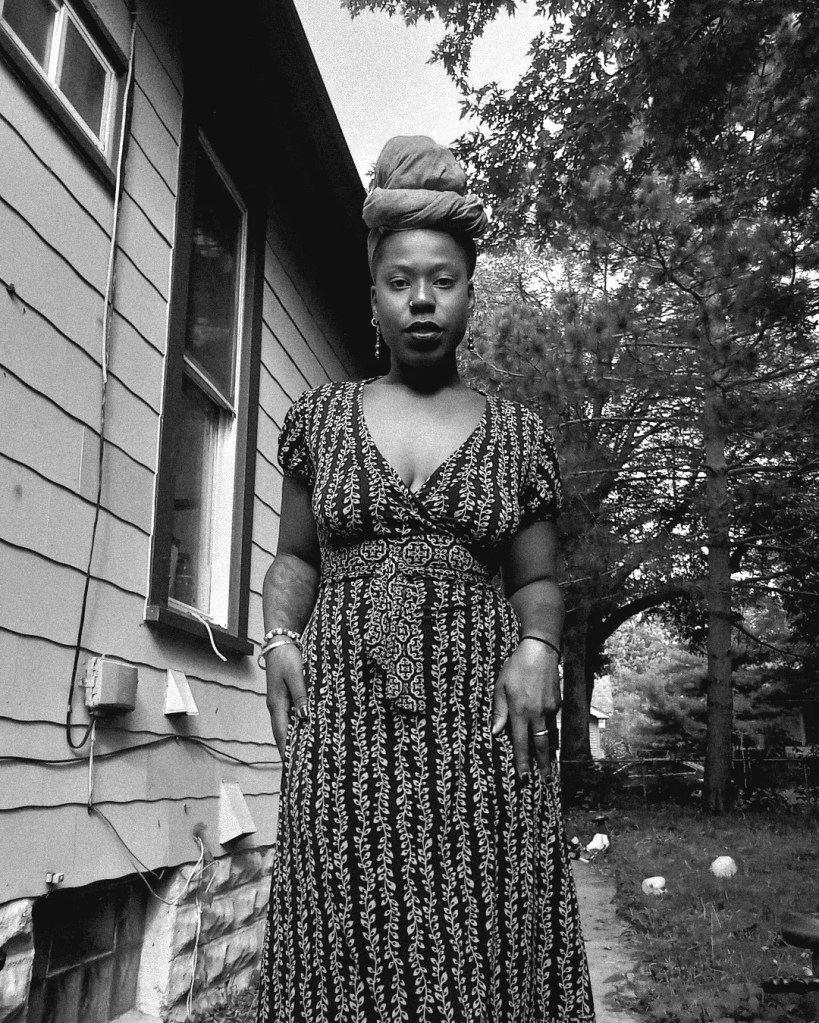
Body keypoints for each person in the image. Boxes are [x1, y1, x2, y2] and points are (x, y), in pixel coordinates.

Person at [257, 135, 594, 1023]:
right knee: (342, 919)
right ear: (372, 292)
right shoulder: (318, 420)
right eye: (400, 280)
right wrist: (279, 636)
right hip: (348, 716)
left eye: (441, 281)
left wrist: (536, 649)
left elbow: (535, 584)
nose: (420, 301)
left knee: (480, 915)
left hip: (478, 717)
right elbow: (296, 559)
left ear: (470, 292)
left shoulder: (515, 434)